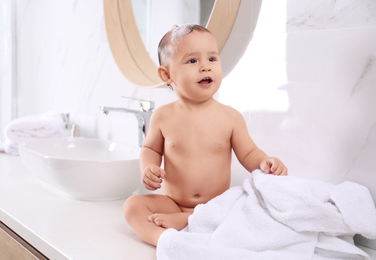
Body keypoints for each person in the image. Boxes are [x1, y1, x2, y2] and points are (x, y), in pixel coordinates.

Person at [123, 24, 288, 246]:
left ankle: (191, 221)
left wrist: (265, 162)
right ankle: (164, 239)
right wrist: (148, 169)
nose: (205, 67)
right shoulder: (163, 116)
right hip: (172, 203)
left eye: (212, 59)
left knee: (244, 205)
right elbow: (150, 149)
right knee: (133, 206)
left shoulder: (230, 117)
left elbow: (249, 152)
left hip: (216, 205)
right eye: (192, 61)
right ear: (166, 74)